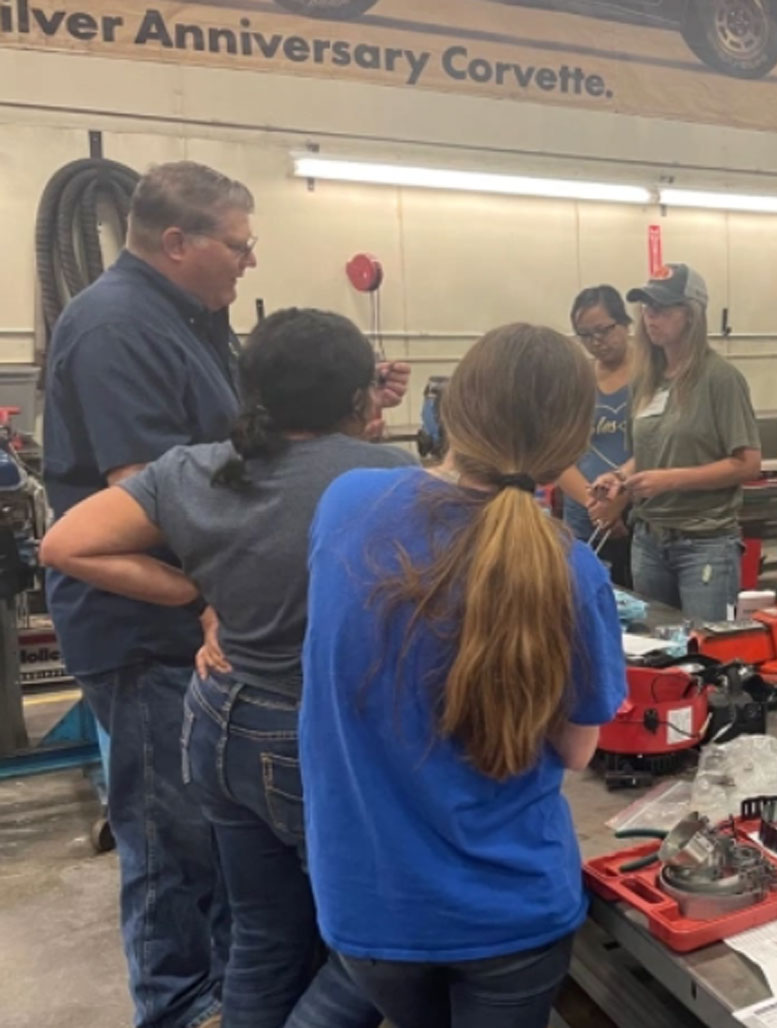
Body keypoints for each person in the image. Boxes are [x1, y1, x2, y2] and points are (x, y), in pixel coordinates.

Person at [40, 159, 408, 1028]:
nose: (249, 262)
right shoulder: (117, 327)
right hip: (153, 641)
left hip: (217, 656)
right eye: (239, 246)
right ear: (178, 241)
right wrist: (203, 601)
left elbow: (257, 441)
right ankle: (175, 1011)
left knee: (242, 893)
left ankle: (228, 1004)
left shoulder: (194, 318)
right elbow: (138, 495)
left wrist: (345, 410)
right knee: (171, 856)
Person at [298, 324, 627, 1028]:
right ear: (568, 442)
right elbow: (576, 751)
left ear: (453, 407)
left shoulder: (349, 503)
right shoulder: (571, 568)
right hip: (510, 910)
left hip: (371, 903)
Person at [589, 264, 761, 621]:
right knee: (655, 651)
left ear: (691, 314)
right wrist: (620, 477)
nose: (652, 319)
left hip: (704, 543)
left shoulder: (720, 379)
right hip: (649, 539)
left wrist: (671, 479)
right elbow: (647, 454)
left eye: (663, 309)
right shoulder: (646, 380)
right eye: (647, 309)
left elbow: (747, 463)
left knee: (707, 651)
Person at [556, 284, 633, 587]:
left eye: (604, 330)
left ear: (625, 324)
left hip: (636, 517)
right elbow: (559, 454)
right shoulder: (576, 383)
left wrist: (618, 503)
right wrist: (597, 507)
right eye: (586, 335)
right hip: (585, 518)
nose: (596, 342)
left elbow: (661, 447)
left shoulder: (653, 377)